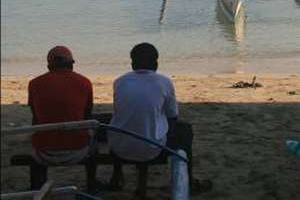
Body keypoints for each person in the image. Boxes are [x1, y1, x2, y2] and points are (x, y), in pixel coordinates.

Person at [108, 42, 211, 195]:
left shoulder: (119, 82)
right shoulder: (164, 82)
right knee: (185, 131)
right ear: (156, 63)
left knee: (126, 121)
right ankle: (189, 182)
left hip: (119, 147)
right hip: (151, 148)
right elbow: (173, 117)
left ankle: (116, 176)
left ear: (132, 63)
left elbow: (120, 110)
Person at [28, 45, 98, 192]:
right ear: (71, 64)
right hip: (78, 150)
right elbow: (87, 116)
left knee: (37, 134)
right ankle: (92, 184)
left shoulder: (34, 84)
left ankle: (36, 186)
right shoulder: (84, 82)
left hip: (44, 152)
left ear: (49, 66)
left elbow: (35, 117)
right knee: (94, 139)